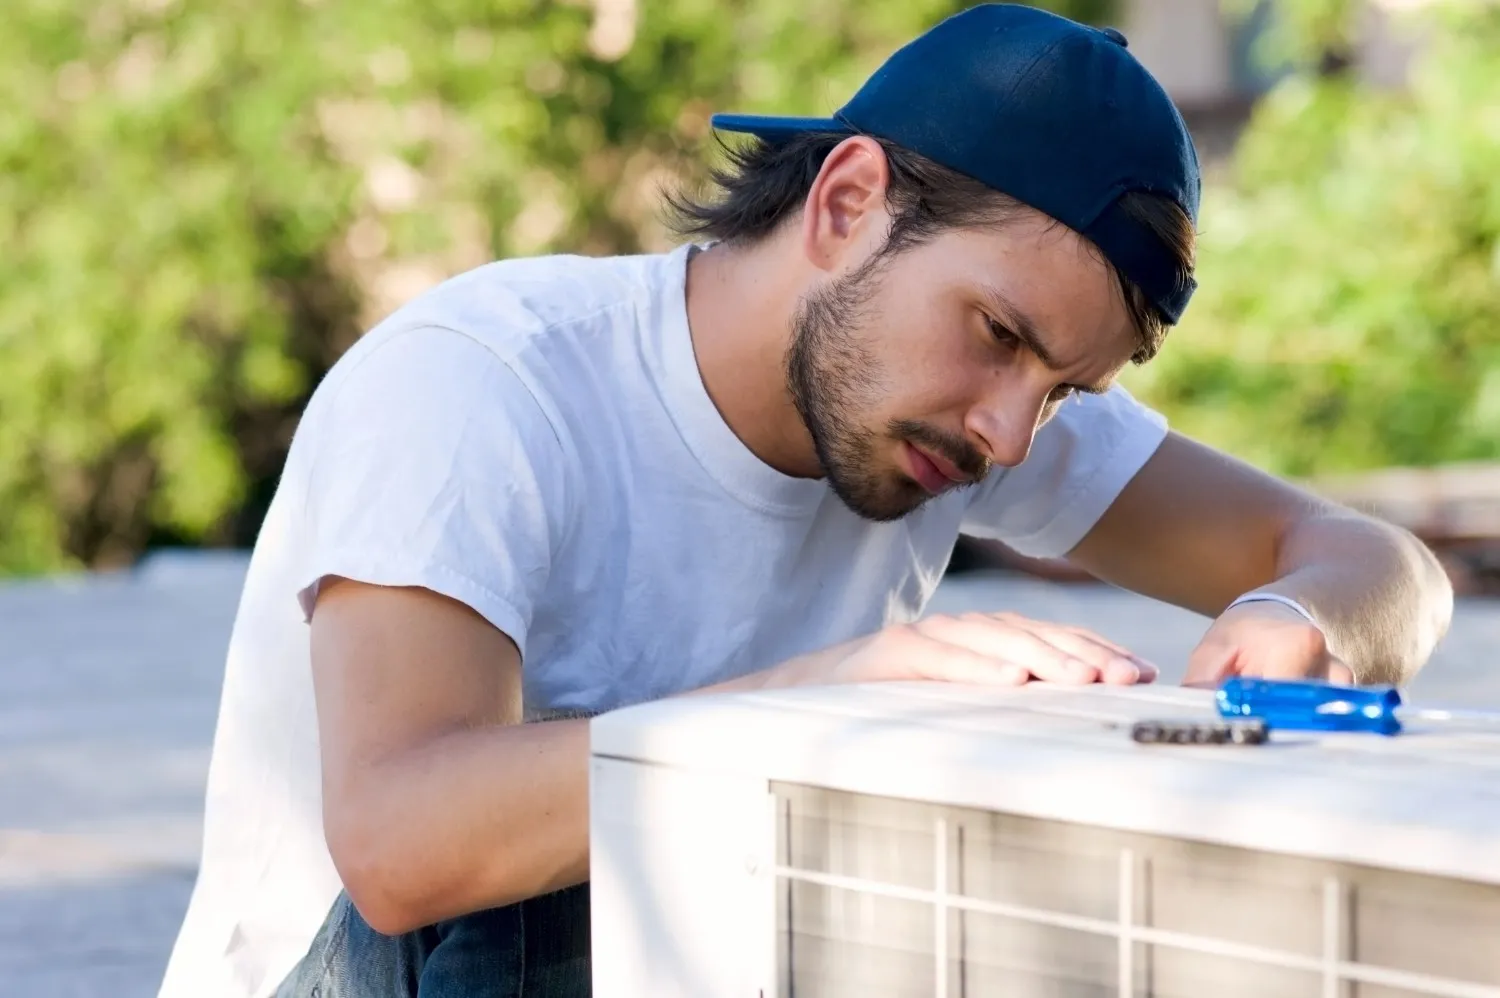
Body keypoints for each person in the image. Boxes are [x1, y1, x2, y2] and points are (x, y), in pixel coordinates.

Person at [156, 4, 1453, 997]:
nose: (1012, 431)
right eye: (998, 332)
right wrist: (842, 701)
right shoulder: (482, 382)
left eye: (1067, 389)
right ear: (846, 202)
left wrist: (1297, 609)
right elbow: (400, 846)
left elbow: (1381, 565)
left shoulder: (964, 412)